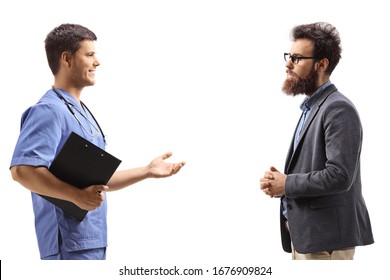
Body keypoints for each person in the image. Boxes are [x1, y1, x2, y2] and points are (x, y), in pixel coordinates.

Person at [10, 23, 185, 260]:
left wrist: (147, 171)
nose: (97, 62)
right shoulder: (48, 111)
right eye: (90, 54)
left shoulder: (79, 112)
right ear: (67, 59)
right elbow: (23, 170)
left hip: (91, 242)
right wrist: (75, 196)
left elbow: (97, 180)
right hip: (69, 247)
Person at [259, 22, 374, 260]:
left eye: (297, 58)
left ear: (321, 64)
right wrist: (279, 183)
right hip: (308, 238)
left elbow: (340, 176)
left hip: (326, 242)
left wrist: (288, 184)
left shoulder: (338, 108)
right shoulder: (312, 108)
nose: (288, 64)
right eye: (289, 56)